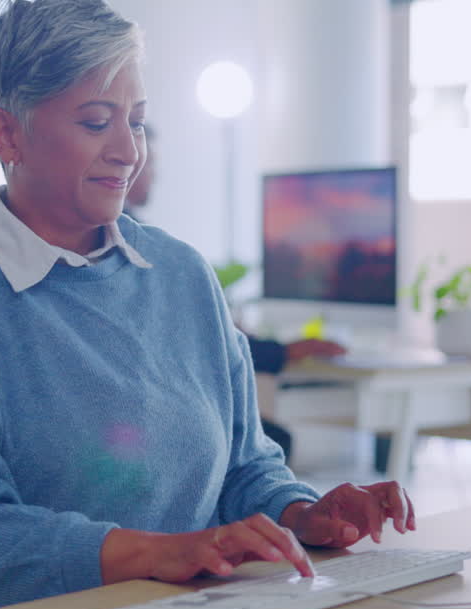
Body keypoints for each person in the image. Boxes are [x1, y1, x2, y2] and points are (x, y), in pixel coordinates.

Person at [0, 0, 415, 609]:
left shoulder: (182, 275)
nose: (129, 151)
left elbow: (245, 466)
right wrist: (159, 554)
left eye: (137, 122)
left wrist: (302, 513)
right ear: (6, 132)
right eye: (97, 122)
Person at [124, 122, 346, 462]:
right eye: (151, 163)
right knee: (269, 443)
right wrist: (282, 352)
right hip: (150, 416)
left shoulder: (145, 242)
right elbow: (198, 339)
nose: (153, 174)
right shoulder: (136, 249)